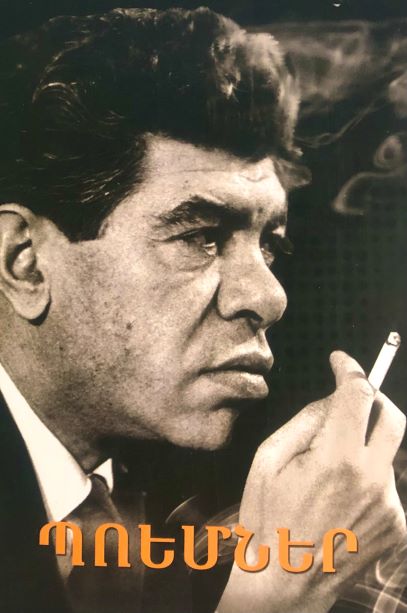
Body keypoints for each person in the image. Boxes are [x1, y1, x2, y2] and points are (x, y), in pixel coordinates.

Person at [0, 7, 405, 613]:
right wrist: (279, 593)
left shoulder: (204, 498)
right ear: (25, 263)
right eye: (201, 237)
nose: (268, 297)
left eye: (270, 245)